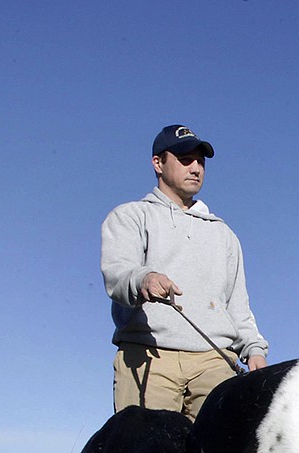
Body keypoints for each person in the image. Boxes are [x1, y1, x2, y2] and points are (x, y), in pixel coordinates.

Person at [101, 124, 268, 420]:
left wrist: (254, 350)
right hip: (149, 354)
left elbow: (237, 306)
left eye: (200, 162)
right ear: (158, 163)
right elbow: (118, 273)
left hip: (215, 360)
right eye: (184, 159)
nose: (196, 168)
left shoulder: (224, 234)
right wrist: (144, 279)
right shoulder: (131, 216)